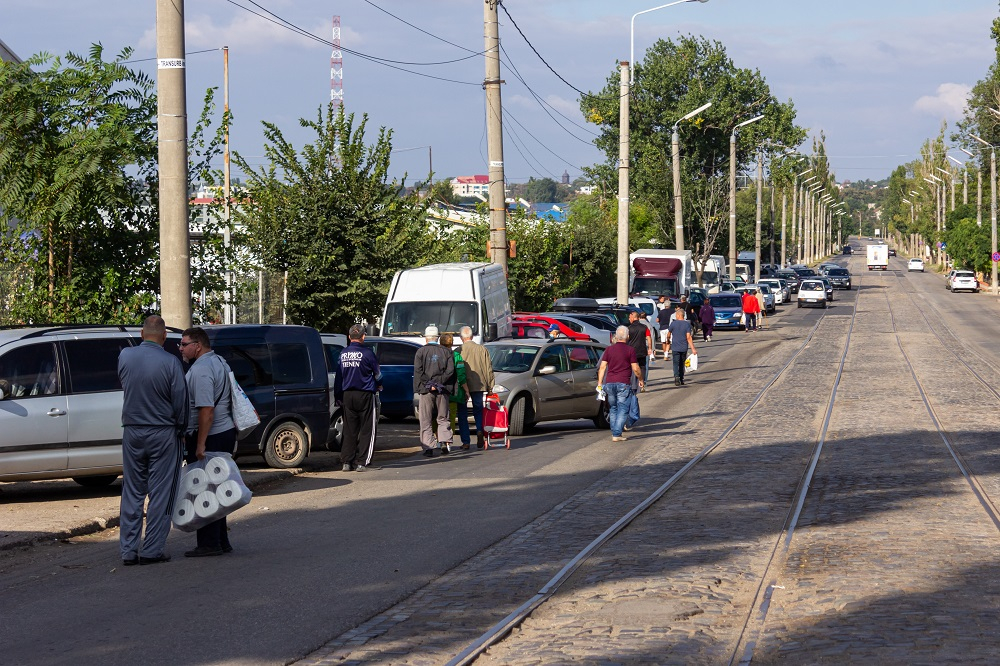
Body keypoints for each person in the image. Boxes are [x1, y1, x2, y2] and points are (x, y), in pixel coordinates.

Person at [117, 315, 187, 566]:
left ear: (141, 333)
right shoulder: (171, 361)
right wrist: (182, 428)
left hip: (133, 432)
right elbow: (180, 399)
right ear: (165, 336)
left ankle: (128, 551)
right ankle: (152, 550)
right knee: (161, 493)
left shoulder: (125, 356)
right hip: (163, 433)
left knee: (132, 491)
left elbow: (126, 384)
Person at [180, 326, 238, 558]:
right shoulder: (218, 361)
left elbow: (206, 410)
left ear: (198, 346)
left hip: (210, 435)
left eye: (184, 344)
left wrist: (200, 443)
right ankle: (221, 541)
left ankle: (209, 543)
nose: (181, 348)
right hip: (223, 432)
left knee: (204, 489)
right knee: (218, 488)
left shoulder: (202, 369)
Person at [334, 323, 382, 472]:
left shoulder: (343, 353)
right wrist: (379, 385)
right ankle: (362, 462)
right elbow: (378, 374)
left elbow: (339, 377)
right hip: (365, 394)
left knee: (349, 430)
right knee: (368, 429)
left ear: (349, 337)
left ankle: (347, 462)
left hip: (347, 395)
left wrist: (338, 396)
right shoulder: (368, 353)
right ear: (363, 337)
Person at [413, 325, 456, 457]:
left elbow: (418, 372)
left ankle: (428, 447)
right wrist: (438, 383)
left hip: (426, 390)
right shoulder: (447, 352)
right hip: (442, 389)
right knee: (443, 417)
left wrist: (429, 384)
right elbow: (450, 371)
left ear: (426, 338)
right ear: (437, 338)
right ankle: (444, 441)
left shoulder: (420, 352)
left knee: (425, 419)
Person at [597, 325, 644, 442]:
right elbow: (636, 368)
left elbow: (602, 367)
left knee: (613, 408)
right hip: (623, 383)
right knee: (623, 409)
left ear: (616, 337)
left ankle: (615, 431)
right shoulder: (630, 350)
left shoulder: (609, 349)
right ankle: (616, 434)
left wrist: (600, 383)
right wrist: (641, 380)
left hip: (609, 383)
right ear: (627, 336)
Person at [459, 326, 494, 449]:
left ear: (461, 337)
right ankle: (480, 430)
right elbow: (488, 368)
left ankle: (466, 441)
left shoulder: (458, 350)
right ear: (472, 336)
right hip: (479, 385)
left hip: (462, 386)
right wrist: (490, 386)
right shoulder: (481, 349)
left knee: (462, 412)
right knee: (478, 409)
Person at [441, 333, 471, 450]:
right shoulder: (457, 356)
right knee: (461, 416)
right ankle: (465, 441)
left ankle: (443, 440)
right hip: (456, 392)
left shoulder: (438, 355)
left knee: (443, 416)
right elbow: (461, 375)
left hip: (443, 391)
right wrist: (466, 390)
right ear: (452, 343)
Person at [666, 307, 697, 386]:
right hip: (683, 347)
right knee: (682, 363)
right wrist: (693, 348)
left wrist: (668, 340)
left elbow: (668, 334)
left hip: (675, 347)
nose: (675, 316)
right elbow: (688, 337)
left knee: (676, 363)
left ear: (679, 315)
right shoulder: (687, 324)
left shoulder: (673, 323)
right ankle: (681, 378)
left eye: (676, 315)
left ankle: (676, 377)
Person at [626, 310, 652, 386]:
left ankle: (633, 382)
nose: (629, 319)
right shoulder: (644, 327)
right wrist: (650, 348)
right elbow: (649, 338)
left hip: (631, 351)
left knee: (632, 366)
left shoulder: (629, 328)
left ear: (634, 318)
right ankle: (642, 382)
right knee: (642, 366)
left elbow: (627, 338)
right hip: (642, 350)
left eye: (630, 317)